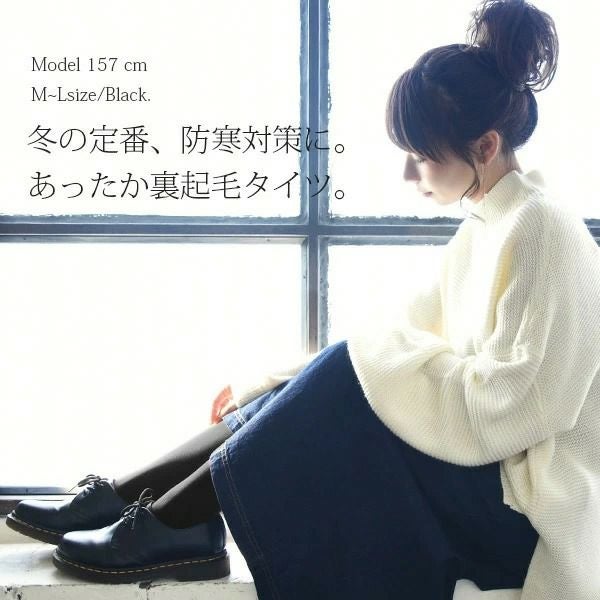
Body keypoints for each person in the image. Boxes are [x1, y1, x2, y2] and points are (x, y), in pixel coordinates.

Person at [8, 0, 600, 598]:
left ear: (486, 145)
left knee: (352, 374)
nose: (408, 174)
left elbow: (523, 407)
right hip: (485, 481)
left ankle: (174, 523)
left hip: (527, 511)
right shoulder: (490, 224)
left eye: (421, 157)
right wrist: (273, 385)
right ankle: (142, 501)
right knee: (342, 374)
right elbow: (393, 335)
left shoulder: (540, 229)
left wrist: (381, 374)